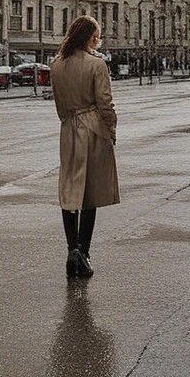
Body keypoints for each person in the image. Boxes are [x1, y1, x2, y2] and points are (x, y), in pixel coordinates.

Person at [50, 15, 119, 280]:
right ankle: (84, 252)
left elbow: (59, 104)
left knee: (69, 189)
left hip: (68, 129)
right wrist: (110, 130)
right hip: (92, 128)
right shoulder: (97, 64)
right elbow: (105, 103)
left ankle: (71, 251)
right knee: (91, 192)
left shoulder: (56, 65)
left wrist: (69, 122)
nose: (97, 40)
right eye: (96, 36)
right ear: (90, 37)